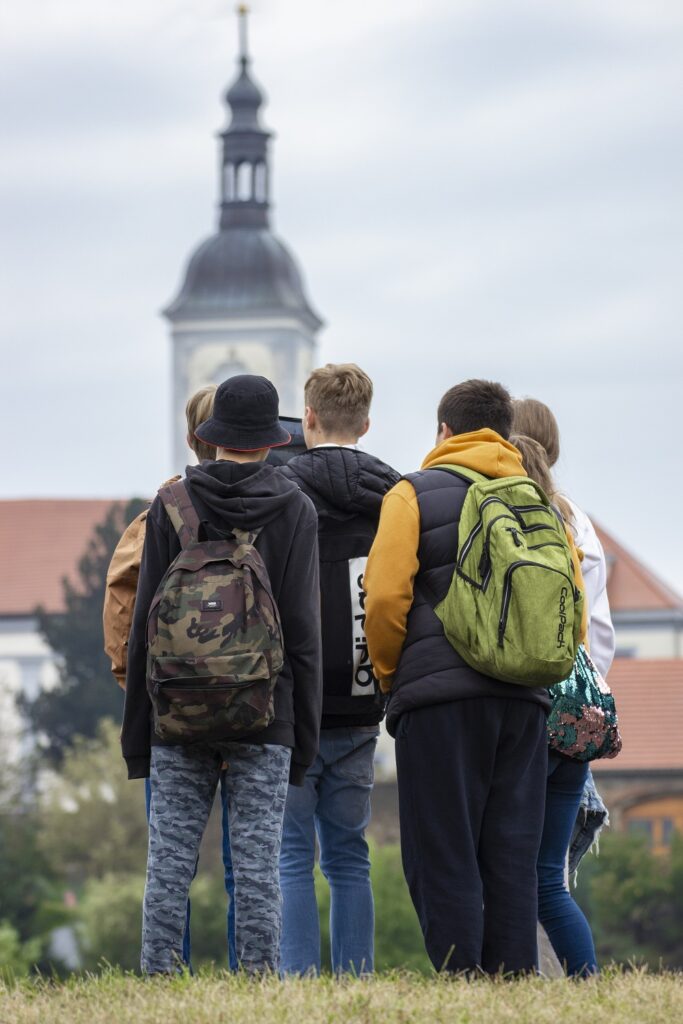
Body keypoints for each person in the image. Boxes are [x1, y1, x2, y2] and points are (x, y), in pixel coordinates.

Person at [121, 374, 322, 974]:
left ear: (212, 434)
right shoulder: (295, 508)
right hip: (266, 710)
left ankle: (159, 979)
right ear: (273, 439)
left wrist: (138, 736)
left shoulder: (171, 504)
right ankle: (257, 985)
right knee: (258, 868)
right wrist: (302, 740)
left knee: (169, 864)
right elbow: (303, 635)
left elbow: (144, 628)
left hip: (177, 710)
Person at [363, 379, 558, 975]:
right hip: (524, 700)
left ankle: (461, 975)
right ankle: (514, 977)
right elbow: (565, 608)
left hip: (438, 699)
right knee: (512, 851)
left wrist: (394, 676)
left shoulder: (412, 493)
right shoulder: (536, 499)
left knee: (442, 847)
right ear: (504, 432)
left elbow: (384, 599)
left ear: (444, 430)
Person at [103, 385, 239, 969]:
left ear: (191, 439)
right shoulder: (273, 508)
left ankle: (168, 971)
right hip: (251, 702)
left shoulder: (160, 512)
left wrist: (140, 688)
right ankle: (252, 972)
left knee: (170, 856)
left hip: (173, 706)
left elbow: (122, 611)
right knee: (248, 859)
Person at [277, 363, 400, 975]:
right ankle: (357, 977)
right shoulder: (396, 497)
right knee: (350, 856)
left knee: (291, 856)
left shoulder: (279, 491)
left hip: (292, 704)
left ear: (308, 419)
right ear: (367, 424)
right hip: (361, 698)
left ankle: (297, 982)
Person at [512, 398, 616, 977]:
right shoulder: (578, 522)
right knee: (551, 878)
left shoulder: (506, 516)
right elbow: (600, 634)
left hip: (524, 707)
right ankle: (585, 984)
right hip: (577, 712)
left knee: (507, 867)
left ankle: (526, 982)